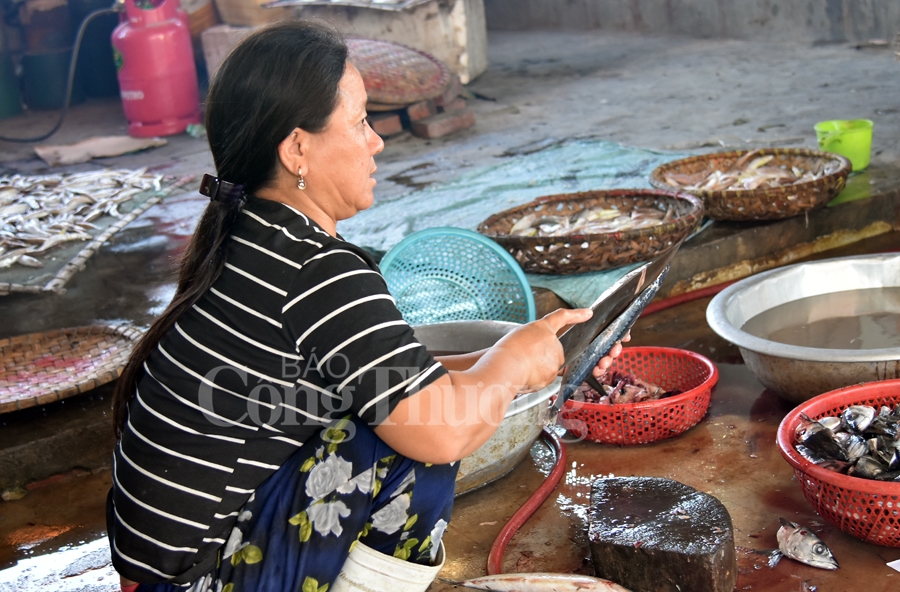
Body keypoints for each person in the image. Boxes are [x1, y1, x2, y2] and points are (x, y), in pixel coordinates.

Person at [107, 20, 624, 592]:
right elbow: (440, 428)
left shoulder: (244, 235)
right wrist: (510, 366)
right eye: (359, 123)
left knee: (398, 405)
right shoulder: (316, 270)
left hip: (162, 574)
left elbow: (370, 377)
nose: (376, 141)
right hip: (205, 581)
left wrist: (518, 356)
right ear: (298, 148)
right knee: (416, 445)